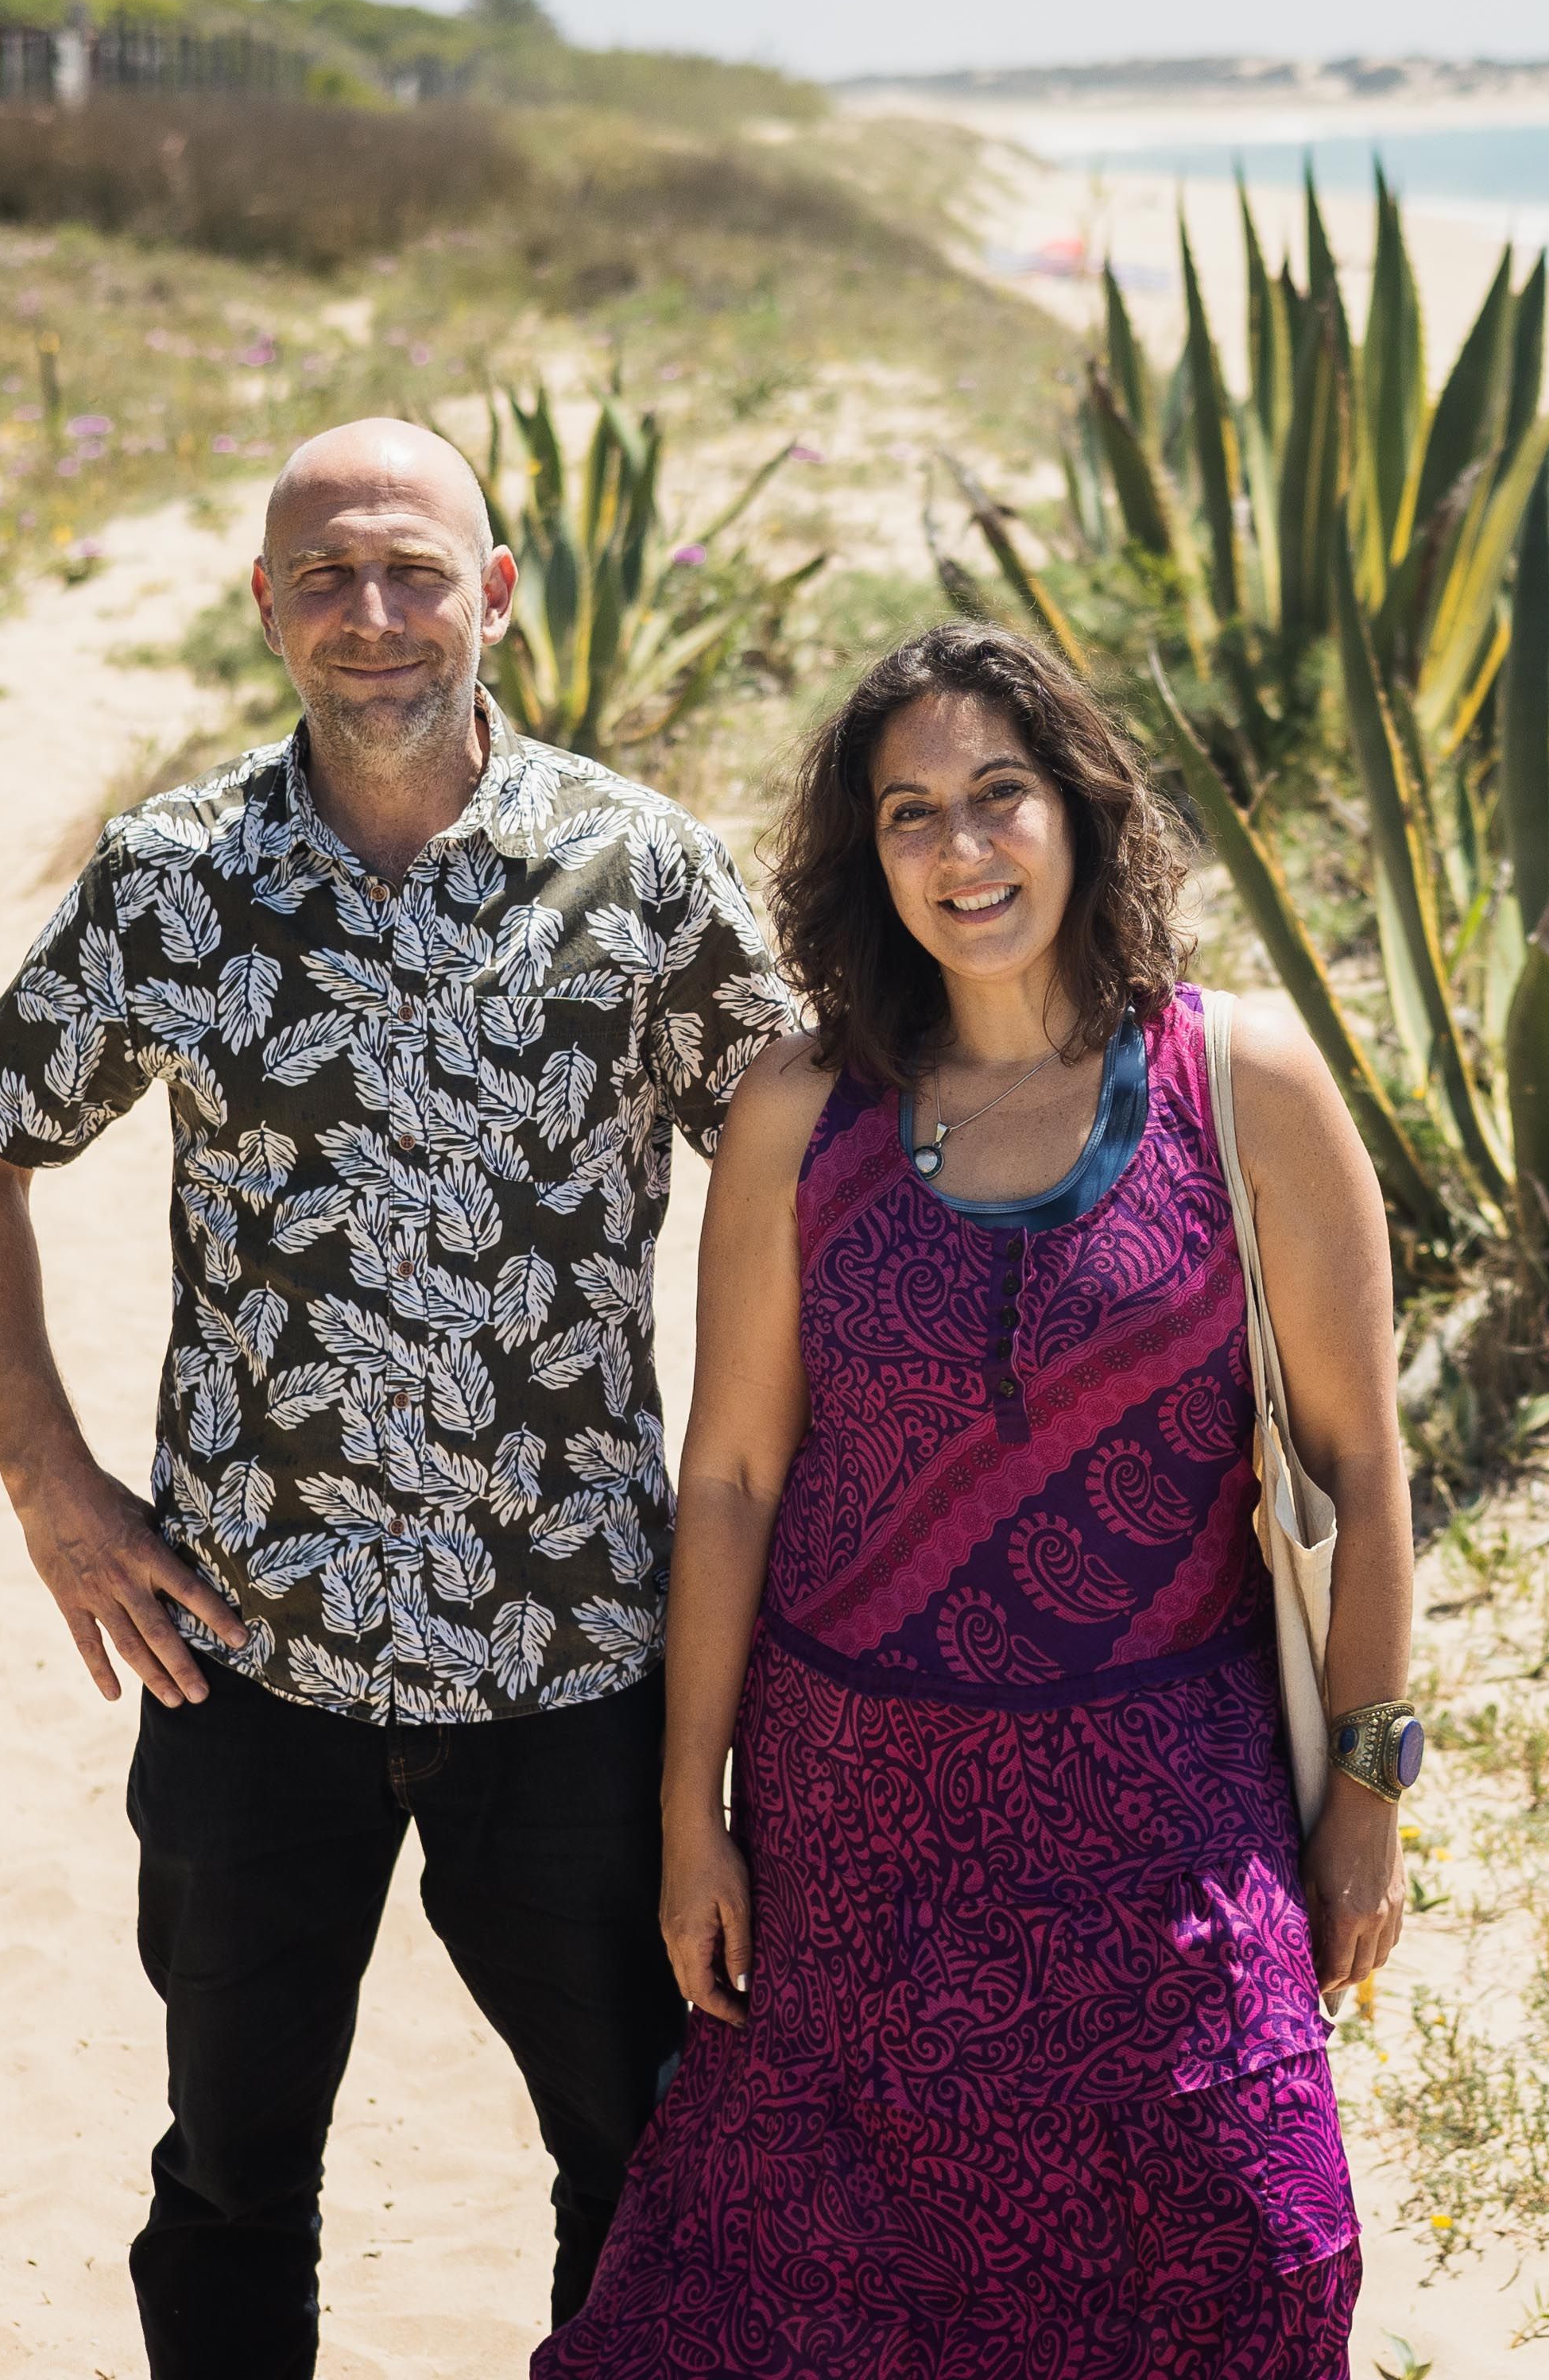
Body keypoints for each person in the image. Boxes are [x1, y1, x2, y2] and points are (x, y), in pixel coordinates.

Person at [0, 419, 798, 2376]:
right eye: (326, 578)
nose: (373, 618)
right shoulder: (172, 884)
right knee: (235, 2176)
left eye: (414, 573)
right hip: (252, 1664)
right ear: (266, 610)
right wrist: (54, 1490)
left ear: (497, 593)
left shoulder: (642, 880)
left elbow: (821, 1180)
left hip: (577, 1664)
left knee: (637, 2164)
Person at [538, 621, 1421, 2377]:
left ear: (1082, 813)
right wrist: (691, 1813)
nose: (963, 851)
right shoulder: (806, 1106)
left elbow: (1361, 1464)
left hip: (1163, 1824)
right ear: (868, 859)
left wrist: (1375, 1800)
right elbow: (729, 1477)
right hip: (851, 1842)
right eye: (911, 813)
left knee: (1255, 2265)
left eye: (1000, 796)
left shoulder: (1238, 1083)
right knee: (804, 2315)